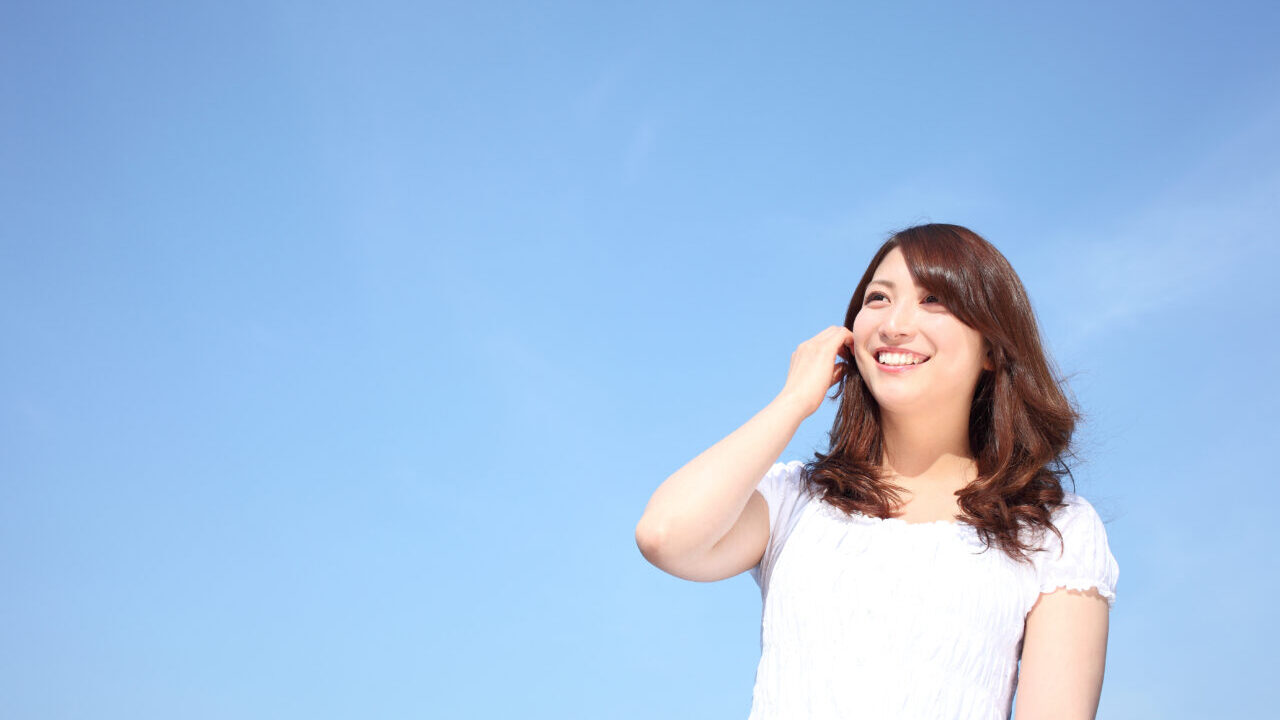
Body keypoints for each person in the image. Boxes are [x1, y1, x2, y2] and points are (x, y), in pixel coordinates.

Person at [635, 223, 1120, 719]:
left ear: (993, 349)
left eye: (933, 299)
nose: (894, 325)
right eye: (879, 299)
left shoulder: (1054, 531)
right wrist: (795, 400)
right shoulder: (799, 500)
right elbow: (665, 535)